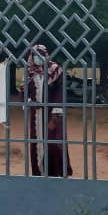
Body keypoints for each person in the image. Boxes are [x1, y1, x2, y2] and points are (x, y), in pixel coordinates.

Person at [25, 45, 72, 178]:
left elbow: (60, 95)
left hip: (51, 116)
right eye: (35, 56)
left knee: (53, 145)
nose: (38, 59)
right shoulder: (30, 74)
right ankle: (38, 174)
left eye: (40, 55)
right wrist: (29, 102)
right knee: (36, 144)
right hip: (36, 118)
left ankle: (56, 174)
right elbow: (24, 93)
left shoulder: (55, 71)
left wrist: (55, 118)